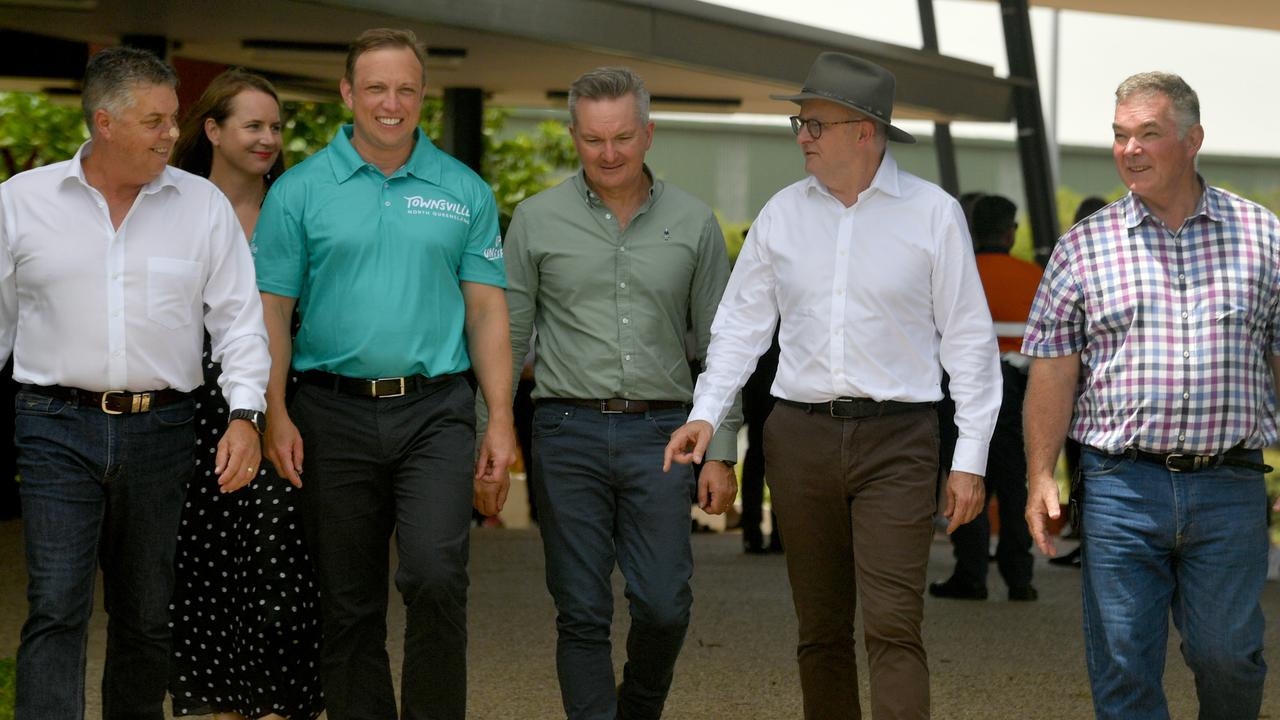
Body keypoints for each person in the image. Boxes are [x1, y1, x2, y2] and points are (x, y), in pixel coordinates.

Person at [664, 52, 1000, 719]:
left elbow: (968, 341)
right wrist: (707, 414)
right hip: (800, 438)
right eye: (799, 121)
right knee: (819, 632)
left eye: (815, 122)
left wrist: (970, 458)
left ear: (864, 131)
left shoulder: (934, 215)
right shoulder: (782, 214)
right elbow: (738, 329)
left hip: (900, 440)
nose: (802, 136)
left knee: (893, 625)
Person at [251, 28, 515, 720]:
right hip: (328, 413)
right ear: (348, 93)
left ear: (422, 94)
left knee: (435, 577)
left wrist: (502, 418)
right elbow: (272, 311)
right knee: (348, 600)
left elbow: (487, 312)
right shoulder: (300, 190)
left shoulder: (463, 190)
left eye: (405, 89)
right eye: (375, 88)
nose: (390, 103)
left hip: (435, 411)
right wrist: (273, 410)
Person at [0, 46, 271, 718]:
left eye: (172, 118)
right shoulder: (20, 203)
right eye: (153, 121)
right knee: (57, 605)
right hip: (54, 423)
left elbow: (239, 321)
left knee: (147, 613)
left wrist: (246, 414)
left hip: (165, 430)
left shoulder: (201, 206)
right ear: (104, 122)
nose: (170, 134)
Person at [1023, 71, 1279, 720]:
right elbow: (1053, 370)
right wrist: (1040, 477)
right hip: (1120, 487)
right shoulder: (1084, 247)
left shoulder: (1263, 238)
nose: (1129, 149)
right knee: (1122, 666)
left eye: (1148, 134)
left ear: (1192, 140)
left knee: (1230, 654)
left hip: (1230, 486)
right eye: (1119, 136)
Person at [499, 66, 739, 719]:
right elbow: (511, 332)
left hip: (663, 436)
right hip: (565, 429)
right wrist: (489, 425)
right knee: (580, 608)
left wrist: (724, 446)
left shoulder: (694, 221)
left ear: (649, 133)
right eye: (593, 139)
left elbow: (725, 341)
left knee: (664, 603)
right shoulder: (535, 219)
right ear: (574, 135)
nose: (609, 154)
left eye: (624, 138)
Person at [167, 68, 323, 720]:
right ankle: (219, 706)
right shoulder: (169, 206)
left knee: (282, 563)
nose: (267, 138)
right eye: (252, 124)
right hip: (185, 410)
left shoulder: (295, 207)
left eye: (275, 126)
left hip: (280, 404)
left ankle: (284, 705)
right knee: (202, 569)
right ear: (212, 129)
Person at [929, 194, 1039, 602]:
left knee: (963, 474)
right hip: (1019, 396)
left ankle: (971, 574)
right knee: (1014, 487)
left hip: (960, 389)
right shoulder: (1034, 276)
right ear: (1010, 232)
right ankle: (1019, 578)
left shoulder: (959, 273)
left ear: (972, 230)